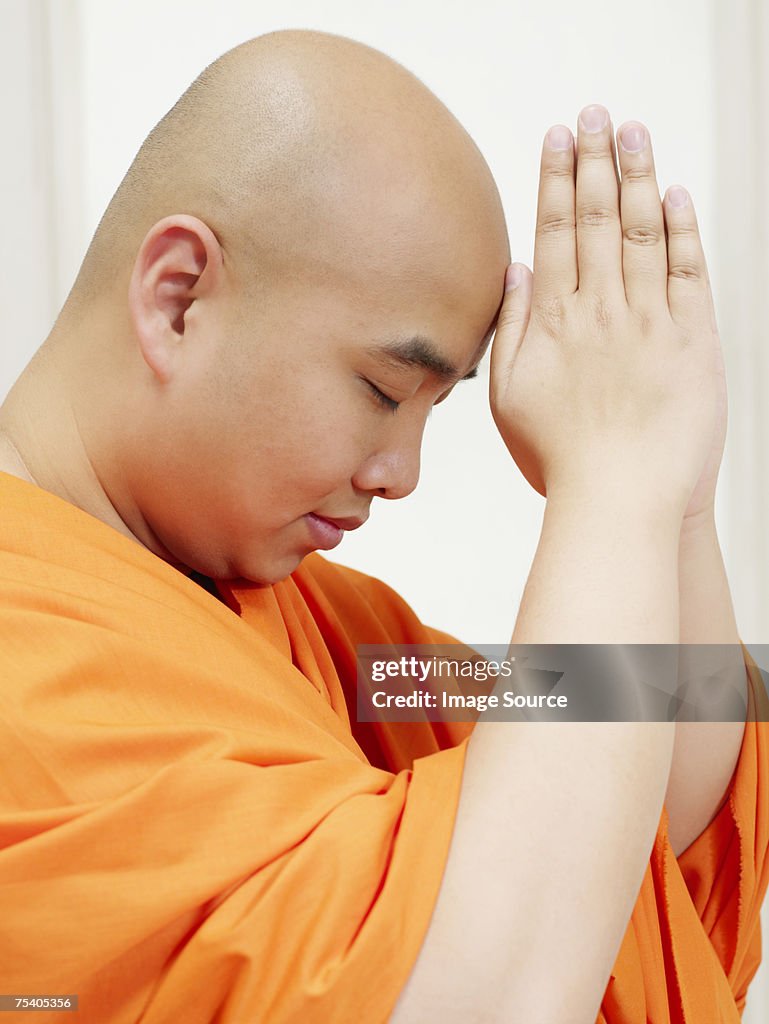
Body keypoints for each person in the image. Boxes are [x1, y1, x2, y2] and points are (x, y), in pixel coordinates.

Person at [0, 28, 765, 1024]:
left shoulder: (329, 628)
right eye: (381, 387)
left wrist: (668, 495)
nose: (400, 475)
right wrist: (609, 485)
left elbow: (647, 792)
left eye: (434, 412)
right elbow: (486, 994)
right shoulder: (28, 661)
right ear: (178, 297)